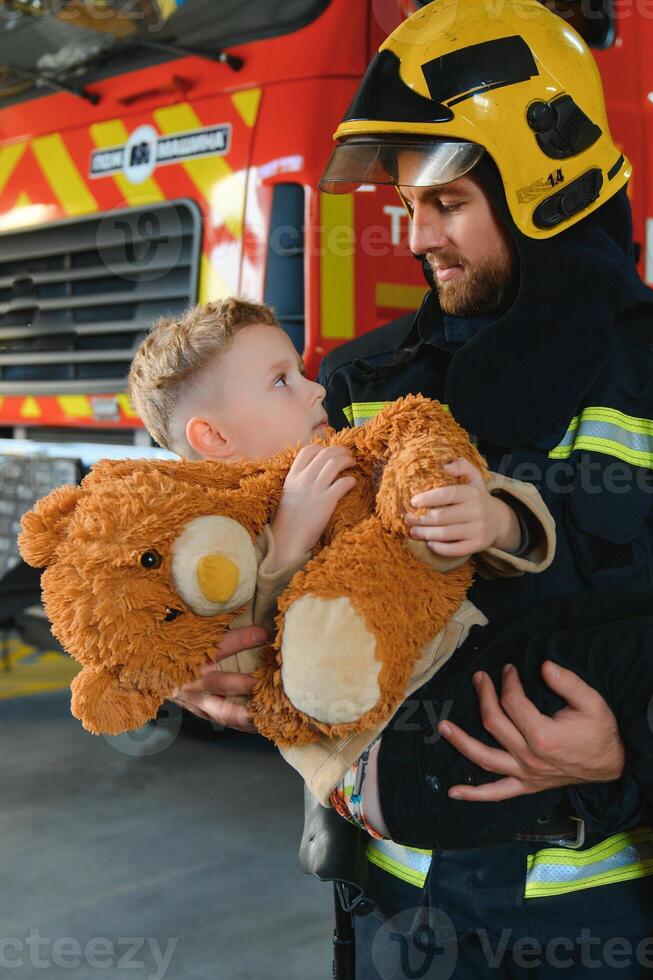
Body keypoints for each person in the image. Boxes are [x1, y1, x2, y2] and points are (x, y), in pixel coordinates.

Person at [173, 1, 653, 976]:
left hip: (595, 926)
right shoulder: (357, 384)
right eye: (407, 206)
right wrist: (196, 647)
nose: (417, 237)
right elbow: (272, 589)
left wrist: (616, 756)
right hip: (397, 912)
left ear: (540, 183)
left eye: (446, 203)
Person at [128, 296, 557, 802]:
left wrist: (500, 521)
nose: (316, 390)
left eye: (302, 371)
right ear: (214, 435)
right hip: (374, 757)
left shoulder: (344, 455)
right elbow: (240, 663)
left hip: (466, 673)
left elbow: (472, 491)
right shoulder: (200, 533)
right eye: (281, 380)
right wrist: (287, 545)